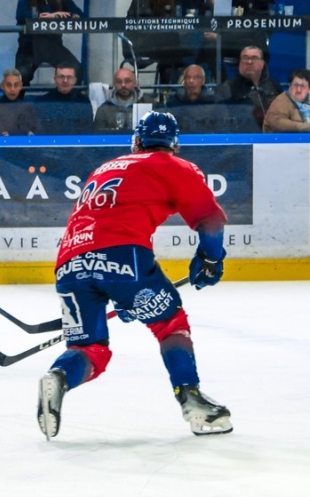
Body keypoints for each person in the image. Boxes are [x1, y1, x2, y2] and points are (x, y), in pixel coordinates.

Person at [38, 111, 232, 440]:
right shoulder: (174, 166)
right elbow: (210, 221)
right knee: (170, 324)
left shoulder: (104, 169)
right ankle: (194, 402)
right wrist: (210, 258)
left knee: (90, 350)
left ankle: (58, 376)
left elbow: (105, 226)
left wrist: (126, 295)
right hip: (123, 258)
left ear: (137, 141)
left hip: (69, 262)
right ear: (174, 145)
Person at [14, 0, 83, 87]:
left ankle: (69, 99)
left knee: (76, 69)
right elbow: (20, 16)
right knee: (19, 78)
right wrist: (41, 17)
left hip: (53, 47)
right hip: (29, 47)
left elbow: (78, 14)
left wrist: (56, 16)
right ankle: (17, 100)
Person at [215, 45, 281, 132]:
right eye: (245, 58)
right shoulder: (227, 88)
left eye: (254, 58)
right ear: (239, 63)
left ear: (262, 64)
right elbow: (221, 122)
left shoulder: (273, 85)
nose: (249, 62)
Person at [124, 0, 186, 85]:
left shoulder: (170, 3)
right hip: (137, 44)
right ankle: (180, 70)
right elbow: (145, 27)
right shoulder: (141, 2)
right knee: (169, 39)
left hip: (160, 46)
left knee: (168, 52)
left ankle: (166, 89)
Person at [166, 64, 230, 133]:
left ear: (203, 81)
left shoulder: (215, 103)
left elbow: (224, 131)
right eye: (188, 77)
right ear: (184, 81)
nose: (191, 81)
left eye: (196, 77)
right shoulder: (174, 102)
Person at [37, 62, 94, 134]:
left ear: (75, 80)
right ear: (55, 79)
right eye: (61, 77)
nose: (65, 81)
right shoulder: (43, 102)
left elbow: (88, 130)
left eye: (69, 77)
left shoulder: (83, 102)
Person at [93, 67, 155, 132]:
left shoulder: (148, 103)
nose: (123, 85)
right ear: (114, 84)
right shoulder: (104, 109)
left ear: (135, 83)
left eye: (127, 81)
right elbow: (99, 136)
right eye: (119, 82)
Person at [0, 68, 41, 136]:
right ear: (2, 86)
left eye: (16, 85)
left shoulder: (28, 108)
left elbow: (37, 134)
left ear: (21, 86)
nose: (12, 89)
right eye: (8, 85)